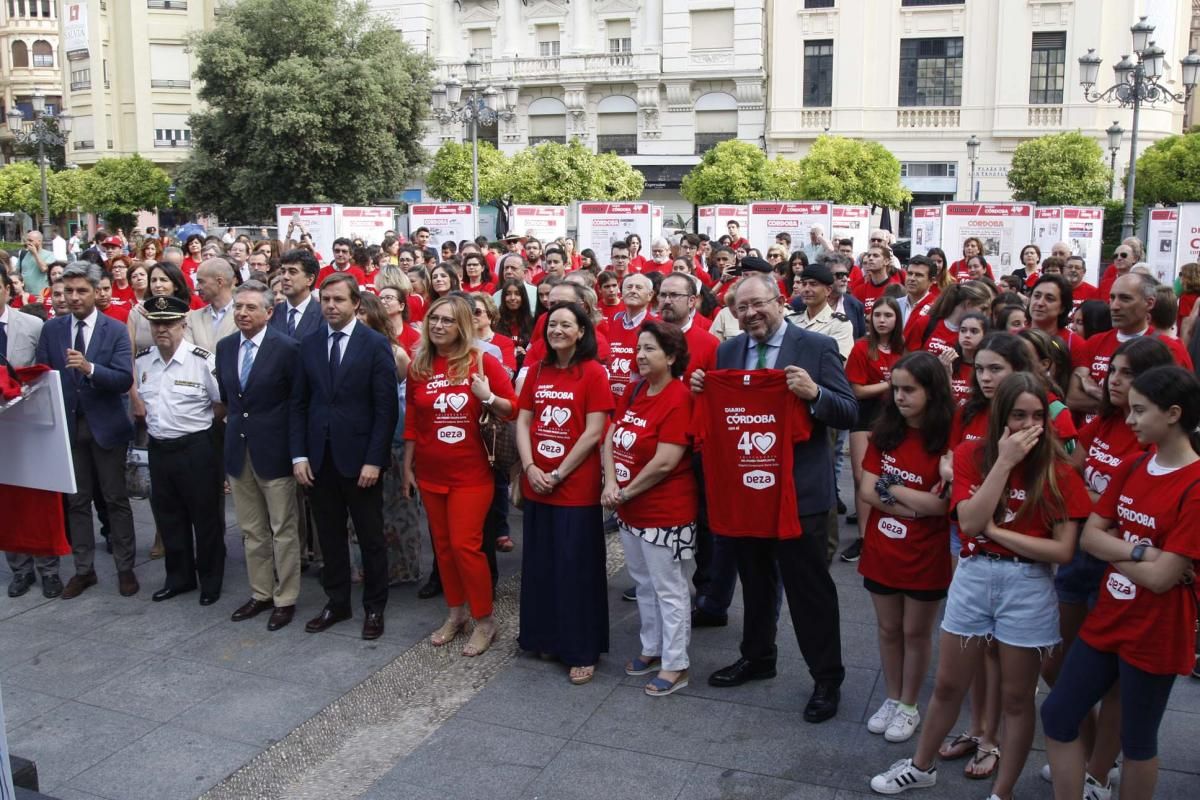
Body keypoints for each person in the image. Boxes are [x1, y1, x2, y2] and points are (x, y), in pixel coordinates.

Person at [870, 372, 1090, 799]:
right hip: (974, 575)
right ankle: (921, 766)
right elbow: (969, 522)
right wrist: (1004, 463)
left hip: (1027, 585)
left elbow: (1062, 551)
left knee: (1017, 698)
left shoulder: (1057, 470)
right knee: (950, 684)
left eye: (1037, 416)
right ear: (1000, 418)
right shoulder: (973, 455)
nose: (1028, 426)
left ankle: (1001, 792)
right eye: (1017, 415)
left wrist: (998, 533)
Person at [690, 273, 857, 723]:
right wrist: (702, 392)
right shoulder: (728, 350)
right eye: (741, 309)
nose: (750, 315)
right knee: (755, 580)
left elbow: (850, 410)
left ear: (780, 301)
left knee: (809, 590)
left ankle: (827, 678)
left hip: (801, 493)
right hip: (749, 488)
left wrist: (815, 394)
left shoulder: (816, 348)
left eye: (758, 305)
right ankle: (758, 656)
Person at [1042, 365, 1200, 800]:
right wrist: (1141, 552)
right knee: (1058, 713)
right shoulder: (1133, 464)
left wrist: (1125, 551)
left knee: (1137, 741)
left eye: (1139, 411)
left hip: (1157, 630)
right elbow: (1089, 536)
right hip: (1109, 617)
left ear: (1172, 414)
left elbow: (1163, 580)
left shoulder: (1196, 484)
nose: (1128, 421)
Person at [403, 295, 514, 656]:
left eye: (447, 320)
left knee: (467, 547)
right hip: (431, 471)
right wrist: (408, 464)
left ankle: (484, 620)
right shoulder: (419, 365)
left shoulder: (481, 360)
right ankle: (456, 614)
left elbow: (513, 408)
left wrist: (486, 397)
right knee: (444, 548)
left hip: (472, 473)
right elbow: (412, 421)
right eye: (434, 319)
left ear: (463, 325)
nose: (437, 326)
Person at [292, 273, 400, 640]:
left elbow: (385, 409)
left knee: (370, 537)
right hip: (319, 460)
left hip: (360, 461)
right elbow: (300, 404)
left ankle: (374, 607)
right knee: (330, 536)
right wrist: (299, 455)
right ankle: (337, 602)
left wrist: (374, 459)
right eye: (325, 300)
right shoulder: (308, 344)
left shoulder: (374, 344)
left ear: (356, 303)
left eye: (338, 300)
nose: (331, 306)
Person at [858, 351, 954, 743]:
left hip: (925, 554)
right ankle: (893, 697)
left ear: (931, 391)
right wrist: (912, 501)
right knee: (887, 628)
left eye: (909, 389)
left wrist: (890, 489)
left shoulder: (947, 438)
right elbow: (866, 490)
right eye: (896, 388)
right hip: (883, 548)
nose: (899, 396)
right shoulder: (884, 432)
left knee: (916, 632)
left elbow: (943, 505)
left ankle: (911, 705)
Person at [515, 302, 613, 683]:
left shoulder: (593, 373)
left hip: (574, 489)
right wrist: (530, 468)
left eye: (565, 325)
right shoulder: (537, 370)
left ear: (581, 331)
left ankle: (581, 648)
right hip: (537, 483)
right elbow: (524, 422)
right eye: (551, 324)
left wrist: (556, 473)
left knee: (576, 569)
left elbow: (593, 433)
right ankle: (543, 637)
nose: (556, 330)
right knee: (540, 565)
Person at [603, 320, 698, 696]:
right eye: (638, 348)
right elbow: (612, 435)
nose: (639, 356)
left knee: (669, 588)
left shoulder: (679, 397)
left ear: (672, 357)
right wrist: (611, 483)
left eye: (650, 349)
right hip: (630, 511)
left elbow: (665, 461)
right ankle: (651, 646)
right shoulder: (634, 389)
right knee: (643, 583)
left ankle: (676, 663)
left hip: (664, 513)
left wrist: (624, 492)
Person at [36, 261, 140, 599]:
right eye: (69, 291)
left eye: (82, 291)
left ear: (97, 292)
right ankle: (84, 570)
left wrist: (90, 367)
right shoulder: (52, 330)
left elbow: (124, 379)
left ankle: (125, 568)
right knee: (76, 501)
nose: (74, 297)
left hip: (106, 427)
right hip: (68, 429)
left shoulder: (114, 328)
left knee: (115, 499)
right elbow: (43, 377)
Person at [216, 281, 303, 630]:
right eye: (239, 306)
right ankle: (261, 592)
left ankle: (286, 597)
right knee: (251, 529)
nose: (242, 313)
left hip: (275, 450)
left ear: (269, 312)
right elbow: (228, 398)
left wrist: (298, 455)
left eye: (251, 307)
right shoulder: (224, 348)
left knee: (283, 528)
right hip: (238, 450)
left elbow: (297, 405)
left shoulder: (287, 348)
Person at [135, 295, 226, 604]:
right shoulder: (144, 360)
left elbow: (221, 403)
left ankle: (211, 581)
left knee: (206, 518)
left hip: (195, 448)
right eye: (156, 323)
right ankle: (179, 577)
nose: (162, 330)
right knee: (169, 517)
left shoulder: (202, 360)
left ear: (182, 325)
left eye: (169, 324)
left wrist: (196, 422)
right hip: (160, 449)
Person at [1068, 273, 1193, 417]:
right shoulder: (1095, 342)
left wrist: (1097, 392)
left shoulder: (1169, 348)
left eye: (1125, 298)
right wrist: (1133, 404)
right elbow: (1073, 398)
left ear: (1150, 303)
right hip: (1093, 435)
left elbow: (1174, 405)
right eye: (1112, 297)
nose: (1114, 306)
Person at [2, 270, 57, 598]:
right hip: (2, 433)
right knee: (7, 503)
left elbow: (47, 375)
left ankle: (49, 569)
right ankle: (19, 569)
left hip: (33, 426)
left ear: (8, 290)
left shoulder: (33, 326)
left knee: (39, 501)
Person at [842, 296, 906, 563]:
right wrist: (891, 384)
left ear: (897, 320)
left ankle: (888, 533)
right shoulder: (860, 348)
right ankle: (864, 538)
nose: (882, 320)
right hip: (865, 417)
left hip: (896, 418)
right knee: (860, 477)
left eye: (888, 316)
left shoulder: (905, 350)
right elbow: (857, 390)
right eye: (877, 315)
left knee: (891, 479)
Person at [906, 281, 992, 358]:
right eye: (983, 309)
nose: (985, 315)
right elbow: (909, 359)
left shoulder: (980, 332)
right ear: (968, 304)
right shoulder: (926, 323)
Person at [607, 273, 656, 402]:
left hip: (639, 401)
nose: (633, 291)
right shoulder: (613, 323)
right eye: (629, 287)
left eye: (638, 288)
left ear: (650, 295)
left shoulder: (656, 327)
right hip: (611, 401)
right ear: (621, 293)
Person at [792, 261, 854, 359]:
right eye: (803, 284)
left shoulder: (840, 325)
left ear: (828, 290)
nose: (806, 289)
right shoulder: (791, 320)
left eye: (813, 284)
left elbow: (835, 365)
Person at [270, 249, 323, 341]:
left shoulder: (323, 315)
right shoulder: (272, 313)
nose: (285, 277)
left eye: (292, 272)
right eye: (283, 271)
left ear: (310, 279)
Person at [187, 258, 238, 353]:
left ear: (219, 282)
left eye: (201, 281)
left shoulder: (243, 316)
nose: (197, 287)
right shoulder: (192, 317)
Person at [16, 230, 54, 296]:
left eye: (30, 241)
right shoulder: (23, 254)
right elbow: (17, 272)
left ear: (39, 241)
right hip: (25, 295)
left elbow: (44, 268)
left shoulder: (49, 255)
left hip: (41, 295)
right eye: (27, 240)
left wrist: (35, 253)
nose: (28, 243)